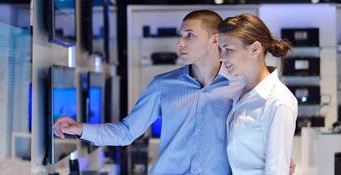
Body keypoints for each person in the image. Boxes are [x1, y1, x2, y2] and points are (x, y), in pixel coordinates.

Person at [54, 10, 243, 174]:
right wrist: (80, 129)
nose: (180, 43)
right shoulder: (163, 85)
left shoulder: (239, 85)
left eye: (189, 35)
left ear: (215, 40)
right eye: (180, 35)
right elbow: (126, 133)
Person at [218, 13, 298, 175]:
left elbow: (276, 170)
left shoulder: (278, 101)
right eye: (221, 49)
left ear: (254, 49)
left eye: (228, 50)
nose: (221, 57)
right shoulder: (238, 89)